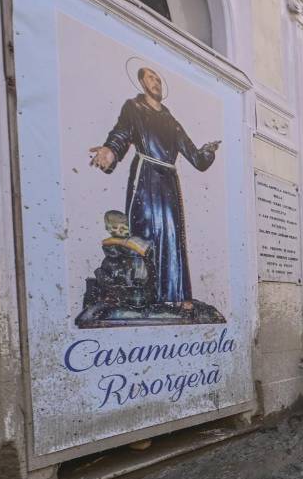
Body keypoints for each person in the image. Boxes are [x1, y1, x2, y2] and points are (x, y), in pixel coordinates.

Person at [89, 66, 220, 309]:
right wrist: (110, 150)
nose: (156, 82)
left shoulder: (171, 121)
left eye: (158, 78)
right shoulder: (134, 108)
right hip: (145, 177)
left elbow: (196, 158)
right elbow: (121, 133)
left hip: (168, 182)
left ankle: (177, 295)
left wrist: (208, 151)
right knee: (145, 232)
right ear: (142, 82)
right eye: (151, 78)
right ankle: (144, 294)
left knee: (172, 236)